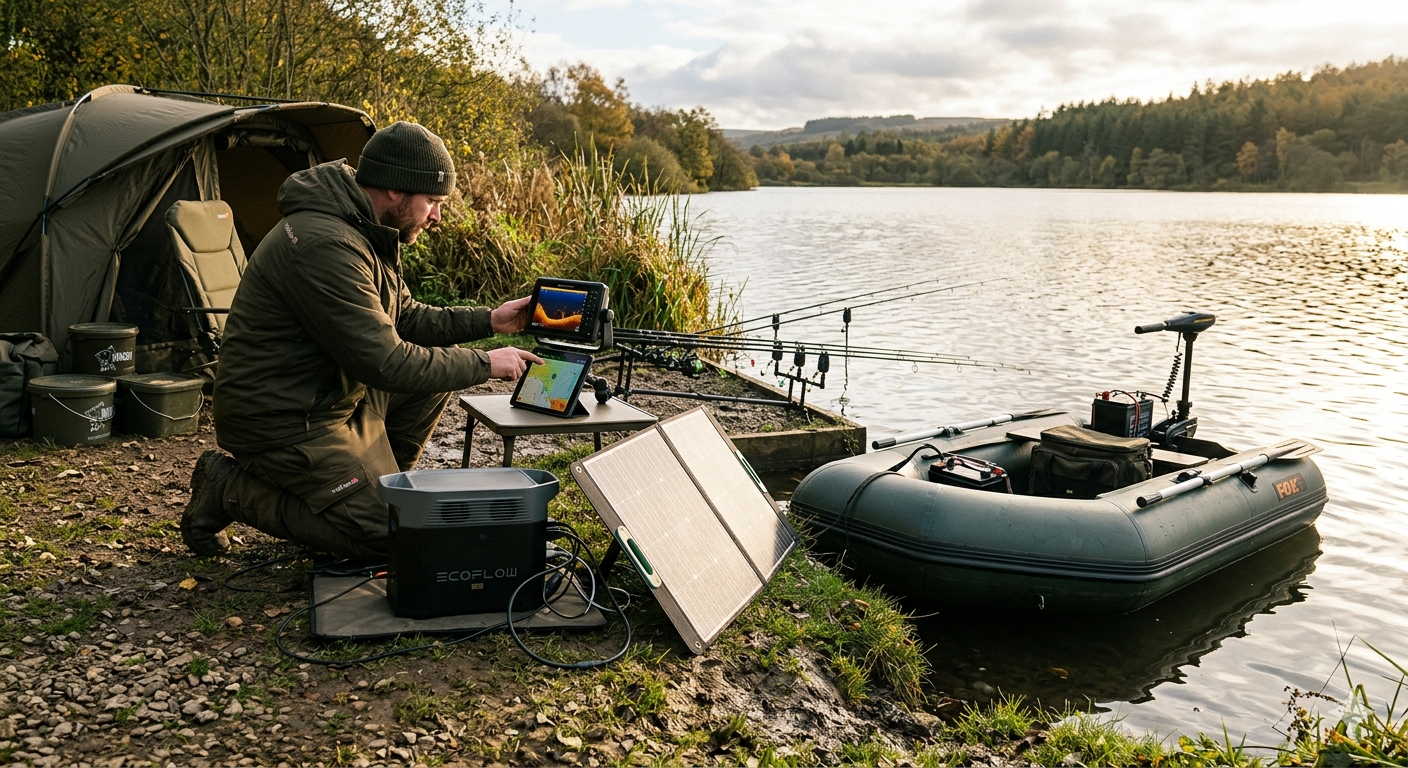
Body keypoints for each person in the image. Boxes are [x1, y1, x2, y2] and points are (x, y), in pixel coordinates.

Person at [182, 121, 541, 561]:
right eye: (432, 201)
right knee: (394, 542)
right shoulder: (325, 244)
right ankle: (228, 490)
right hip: (282, 420)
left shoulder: (364, 229)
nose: (437, 217)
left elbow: (405, 317)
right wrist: (486, 364)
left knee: (436, 379)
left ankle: (374, 492)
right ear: (394, 190)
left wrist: (490, 320)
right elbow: (387, 363)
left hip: (328, 397)